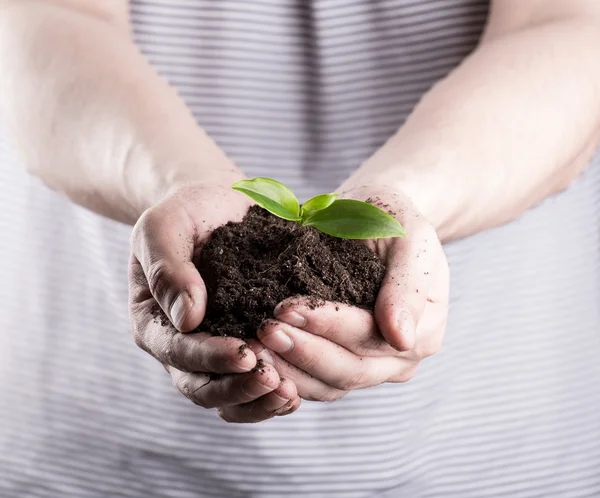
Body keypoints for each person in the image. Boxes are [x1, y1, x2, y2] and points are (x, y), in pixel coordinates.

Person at [1, 0, 599, 496]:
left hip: (493, 444)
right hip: (96, 444)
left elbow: (568, 30)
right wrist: (178, 185)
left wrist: (404, 201)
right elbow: (40, 21)